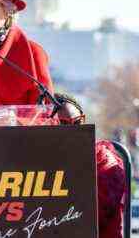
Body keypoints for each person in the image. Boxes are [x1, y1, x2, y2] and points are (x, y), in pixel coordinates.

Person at [55, 93, 126, 238]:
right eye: (61, 124)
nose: (72, 131)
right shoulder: (37, 161)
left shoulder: (104, 160)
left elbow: (87, 217)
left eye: (77, 122)